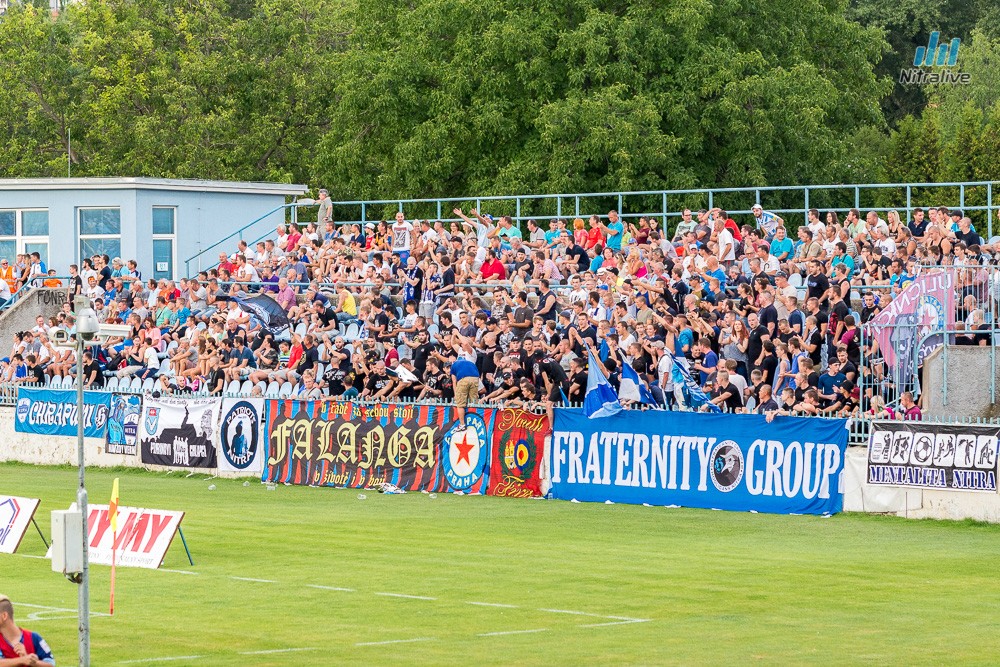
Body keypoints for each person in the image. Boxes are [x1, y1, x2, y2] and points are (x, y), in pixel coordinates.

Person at [0, 594, 55, 665]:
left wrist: (33, 662)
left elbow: (50, 664)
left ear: (4, 616)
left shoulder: (34, 638)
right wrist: (22, 660)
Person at [450, 356, 480, 431]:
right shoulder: (471, 363)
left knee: (460, 404)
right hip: (475, 379)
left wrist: (456, 395)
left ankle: (462, 425)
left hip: (464, 379)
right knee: (474, 401)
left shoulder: (454, 365)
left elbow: (454, 381)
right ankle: (476, 422)